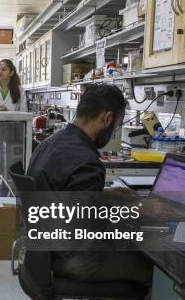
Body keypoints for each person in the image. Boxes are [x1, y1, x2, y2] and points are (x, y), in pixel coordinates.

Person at [27, 84, 153, 286]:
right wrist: (140, 209)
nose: (114, 133)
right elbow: (87, 225)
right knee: (153, 267)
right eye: (117, 126)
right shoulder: (87, 161)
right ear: (106, 118)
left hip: (45, 247)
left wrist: (107, 195)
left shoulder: (51, 143)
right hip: (72, 257)